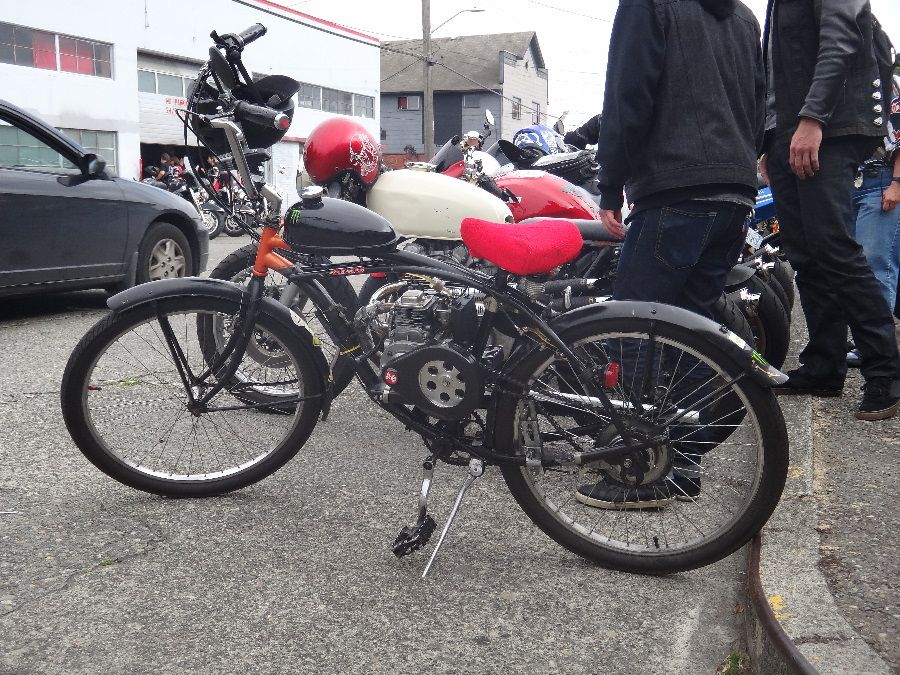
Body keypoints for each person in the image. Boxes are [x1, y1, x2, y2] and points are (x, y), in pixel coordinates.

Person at [575, 0, 766, 510]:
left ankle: (638, 468)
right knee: (693, 332)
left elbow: (627, 96)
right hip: (735, 192)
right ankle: (681, 462)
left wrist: (610, 185)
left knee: (632, 328)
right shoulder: (744, 17)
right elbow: (758, 105)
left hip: (675, 186)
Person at [760, 1, 900, 421]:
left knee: (834, 247)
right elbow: (776, 75)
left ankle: (886, 372)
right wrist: (768, 142)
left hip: (827, 126)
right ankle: (823, 366)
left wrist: (813, 117)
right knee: (805, 254)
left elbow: (841, 40)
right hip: (785, 131)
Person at [847, 75, 900, 368]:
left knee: (875, 265)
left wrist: (897, 183)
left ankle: (874, 347)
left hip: (881, 181)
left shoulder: (888, 83)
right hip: (854, 182)